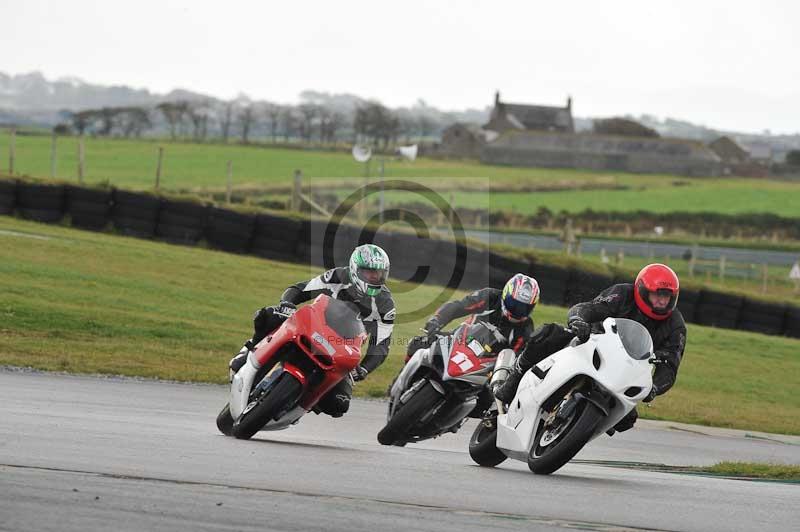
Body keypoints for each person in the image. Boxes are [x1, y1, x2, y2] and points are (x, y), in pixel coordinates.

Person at [494, 263, 686, 434]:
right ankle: (513, 379)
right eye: (658, 295)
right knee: (548, 334)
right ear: (643, 291)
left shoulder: (675, 324)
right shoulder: (622, 294)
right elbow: (590, 308)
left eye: (668, 297)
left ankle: (576, 431)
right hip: (593, 342)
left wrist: (654, 387)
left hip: (624, 371)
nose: (663, 301)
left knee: (627, 419)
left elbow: (670, 365)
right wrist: (579, 321)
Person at [229, 244, 395, 418]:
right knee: (270, 316)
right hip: (312, 328)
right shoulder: (338, 276)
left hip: (341, 349)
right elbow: (299, 289)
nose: (374, 278)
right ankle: (248, 352)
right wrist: (287, 305)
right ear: (356, 269)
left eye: (379, 274)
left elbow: (381, 345)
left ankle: (299, 404)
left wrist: (364, 369)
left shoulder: (386, 304)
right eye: (369, 272)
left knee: (338, 404)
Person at [405, 273, 540, 416]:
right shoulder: (490, 297)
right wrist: (436, 321)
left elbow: (516, 358)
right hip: (458, 341)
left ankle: (453, 417)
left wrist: (499, 377)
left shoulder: (525, 329)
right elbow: (458, 306)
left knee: (487, 403)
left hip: (485, 365)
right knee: (417, 344)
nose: (516, 310)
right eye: (514, 304)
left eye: (523, 308)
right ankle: (402, 382)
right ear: (506, 294)